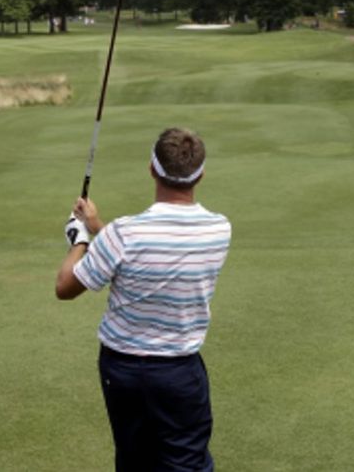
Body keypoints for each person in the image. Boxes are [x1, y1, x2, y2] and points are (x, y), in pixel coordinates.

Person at [56, 127, 232, 472]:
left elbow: (65, 286)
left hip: (122, 372)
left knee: (134, 463)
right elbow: (148, 249)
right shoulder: (219, 229)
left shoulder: (123, 233)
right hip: (179, 373)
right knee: (187, 465)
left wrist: (80, 238)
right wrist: (96, 225)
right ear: (202, 173)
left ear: (152, 168)